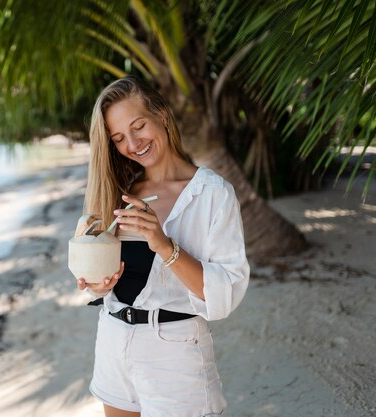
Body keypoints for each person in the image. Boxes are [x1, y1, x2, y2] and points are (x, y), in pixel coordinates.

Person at [76, 75, 250, 417]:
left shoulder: (213, 194)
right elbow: (95, 273)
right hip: (113, 338)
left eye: (138, 125)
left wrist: (164, 244)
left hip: (174, 352)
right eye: (119, 138)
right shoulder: (117, 192)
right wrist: (96, 284)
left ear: (162, 115)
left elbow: (225, 294)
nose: (133, 143)